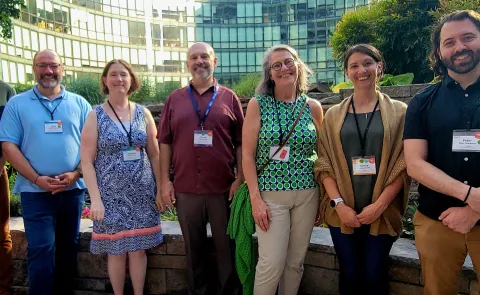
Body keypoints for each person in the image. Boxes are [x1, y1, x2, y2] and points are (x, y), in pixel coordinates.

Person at [314, 44, 410, 295]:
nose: (361, 70)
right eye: (354, 66)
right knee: (350, 273)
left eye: (367, 63)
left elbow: (403, 164)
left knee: (374, 274)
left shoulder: (400, 113)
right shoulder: (333, 115)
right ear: (347, 72)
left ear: (379, 67)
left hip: (382, 211)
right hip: (341, 213)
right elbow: (324, 163)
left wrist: (378, 207)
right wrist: (338, 204)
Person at [0, 49, 92, 295]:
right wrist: (37, 178)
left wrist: (76, 174)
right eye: (42, 65)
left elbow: (92, 145)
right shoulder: (16, 104)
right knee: (41, 248)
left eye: (53, 65)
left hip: (72, 191)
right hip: (34, 191)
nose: (48, 71)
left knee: (67, 248)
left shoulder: (79, 103)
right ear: (34, 68)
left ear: (62, 69)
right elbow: (8, 145)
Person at [404, 10, 480, 295]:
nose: (459, 47)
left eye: (468, 37)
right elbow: (414, 163)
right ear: (439, 51)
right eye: (449, 42)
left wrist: (474, 211)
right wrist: (472, 197)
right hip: (438, 220)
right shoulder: (422, 102)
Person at [158, 42, 243, 295]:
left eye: (204, 57)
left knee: (226, 248)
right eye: (194, 58)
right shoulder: (175, 99)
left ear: (214, 62)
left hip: (222, 189)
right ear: (187, 64)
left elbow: (241, 143)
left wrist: (239, 179)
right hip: (186, 189)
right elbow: (165, 142)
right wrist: (165, 181)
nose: (199, 62)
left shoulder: (229, 97)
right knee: (193, 251)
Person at [242, 44, 323, 295]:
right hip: (270, 197)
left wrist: (325, 196)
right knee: (271, 263)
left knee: (295, 263)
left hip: (307, 194)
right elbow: (247, 155)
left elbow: (324, 154)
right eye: (276, 65)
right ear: (269, 74)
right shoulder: (259, 104)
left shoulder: (312, 107)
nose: (283, 68)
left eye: (288, 62)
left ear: (299, 66)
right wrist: (256, 199)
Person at [81, 59, 164, 295]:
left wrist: (159, 189)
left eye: (124, 75)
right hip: (109, 197)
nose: (119, 79)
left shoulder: (143, 113)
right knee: (116, 250)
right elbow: (86, 160)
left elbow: (155, 155)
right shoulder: (95, 115)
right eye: (114, 75)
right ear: (105, 81)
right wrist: (95, 200)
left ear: (131, 80)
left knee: (139, 250)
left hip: (142, 195)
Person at [0, 80, 16, 295]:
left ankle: (4, 290)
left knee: (1, 234)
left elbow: (9, 131)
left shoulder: (5, 90)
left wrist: (1, 161)